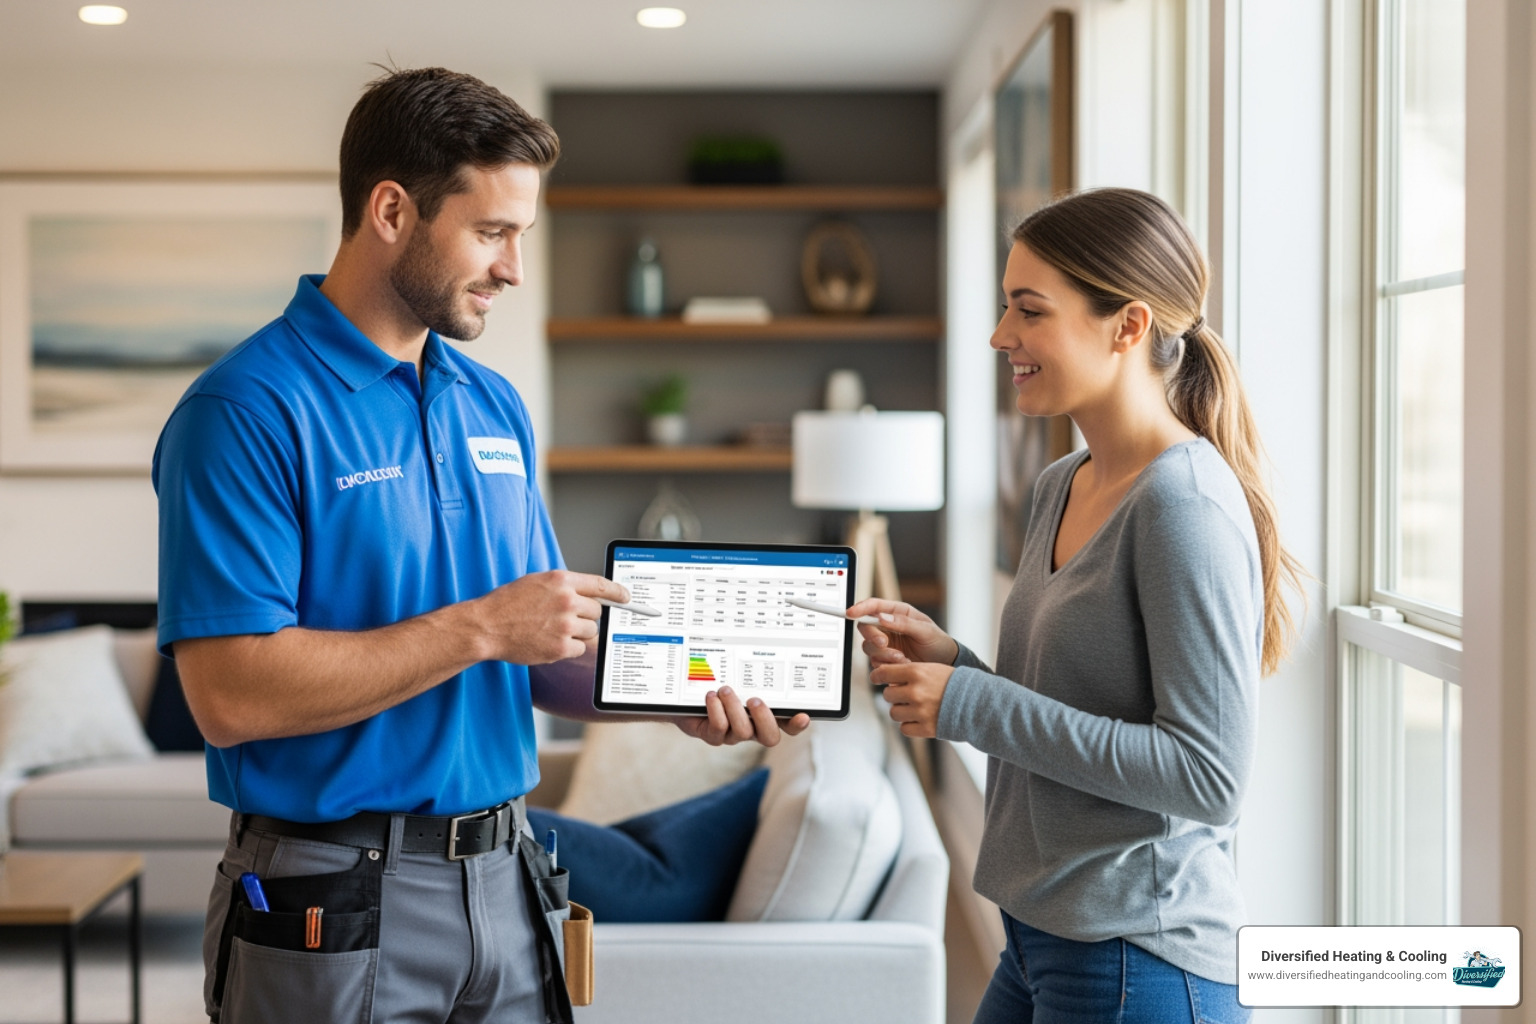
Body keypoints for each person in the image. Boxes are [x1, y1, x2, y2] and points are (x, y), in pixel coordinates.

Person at [153, 67, 807, 1024]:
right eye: (492, 232)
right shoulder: (245, 411)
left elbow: (538, 648)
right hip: (332, 894)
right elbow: (229, 695)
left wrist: (675, 693)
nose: (513, 268)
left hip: (508, 881)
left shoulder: (490, 402)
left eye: (520, 237)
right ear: (389, 211)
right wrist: (480, 629)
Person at [849, 187, 1303, 1023]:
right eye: (1003, 307)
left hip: (1141, 955)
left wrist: (973, 704)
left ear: (1128, 326)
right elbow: (1070, 707)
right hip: (1040, 935)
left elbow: (1208, 778)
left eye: (1029, 310)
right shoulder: (1063, 484)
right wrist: (956, 667)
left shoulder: (1183, 506)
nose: (999, 336)